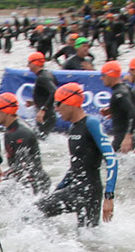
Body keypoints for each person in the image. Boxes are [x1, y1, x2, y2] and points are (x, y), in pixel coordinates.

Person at [36, 82, 118, 227]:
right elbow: (76, 165)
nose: (55, 109)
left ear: (70, 103)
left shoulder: (91, 123)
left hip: (89, 192)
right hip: (75, 188)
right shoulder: (73, 127)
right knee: (32, 212)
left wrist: (109, 196)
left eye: (58, 103)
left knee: (87, 238)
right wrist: (59, 188)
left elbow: (111, 159)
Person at [0, 92, 50, 193]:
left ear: (6, 112)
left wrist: (1, 178)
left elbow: (23, 166)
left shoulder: (19, 133)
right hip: (28, 182)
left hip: (35, 185)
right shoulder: (11, 130)